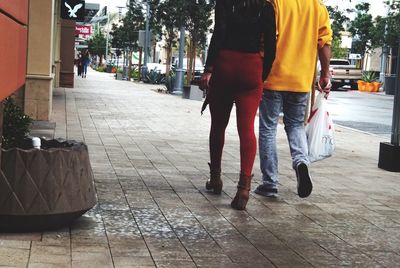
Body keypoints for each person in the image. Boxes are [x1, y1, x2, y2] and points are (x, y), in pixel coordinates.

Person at [199, 0, 276, 210]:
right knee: (247, 128)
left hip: (225, 64)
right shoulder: (266, 7)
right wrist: (262, 73)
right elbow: (271, 45)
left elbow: (219, 33)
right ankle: (243, 188)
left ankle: (215, 179)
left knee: (218, 126)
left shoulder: (225, 2)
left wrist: (208, 69)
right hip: (252, 68)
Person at [255, 0, 333, 198]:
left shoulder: (275, 2)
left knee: (268, 128)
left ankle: (269, 183)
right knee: (296, 125)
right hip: (301, 80)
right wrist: (325, 74)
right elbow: (324, 41)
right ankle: (301, 163)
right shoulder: (317, 6)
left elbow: (264, 38)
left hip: (273, 76)